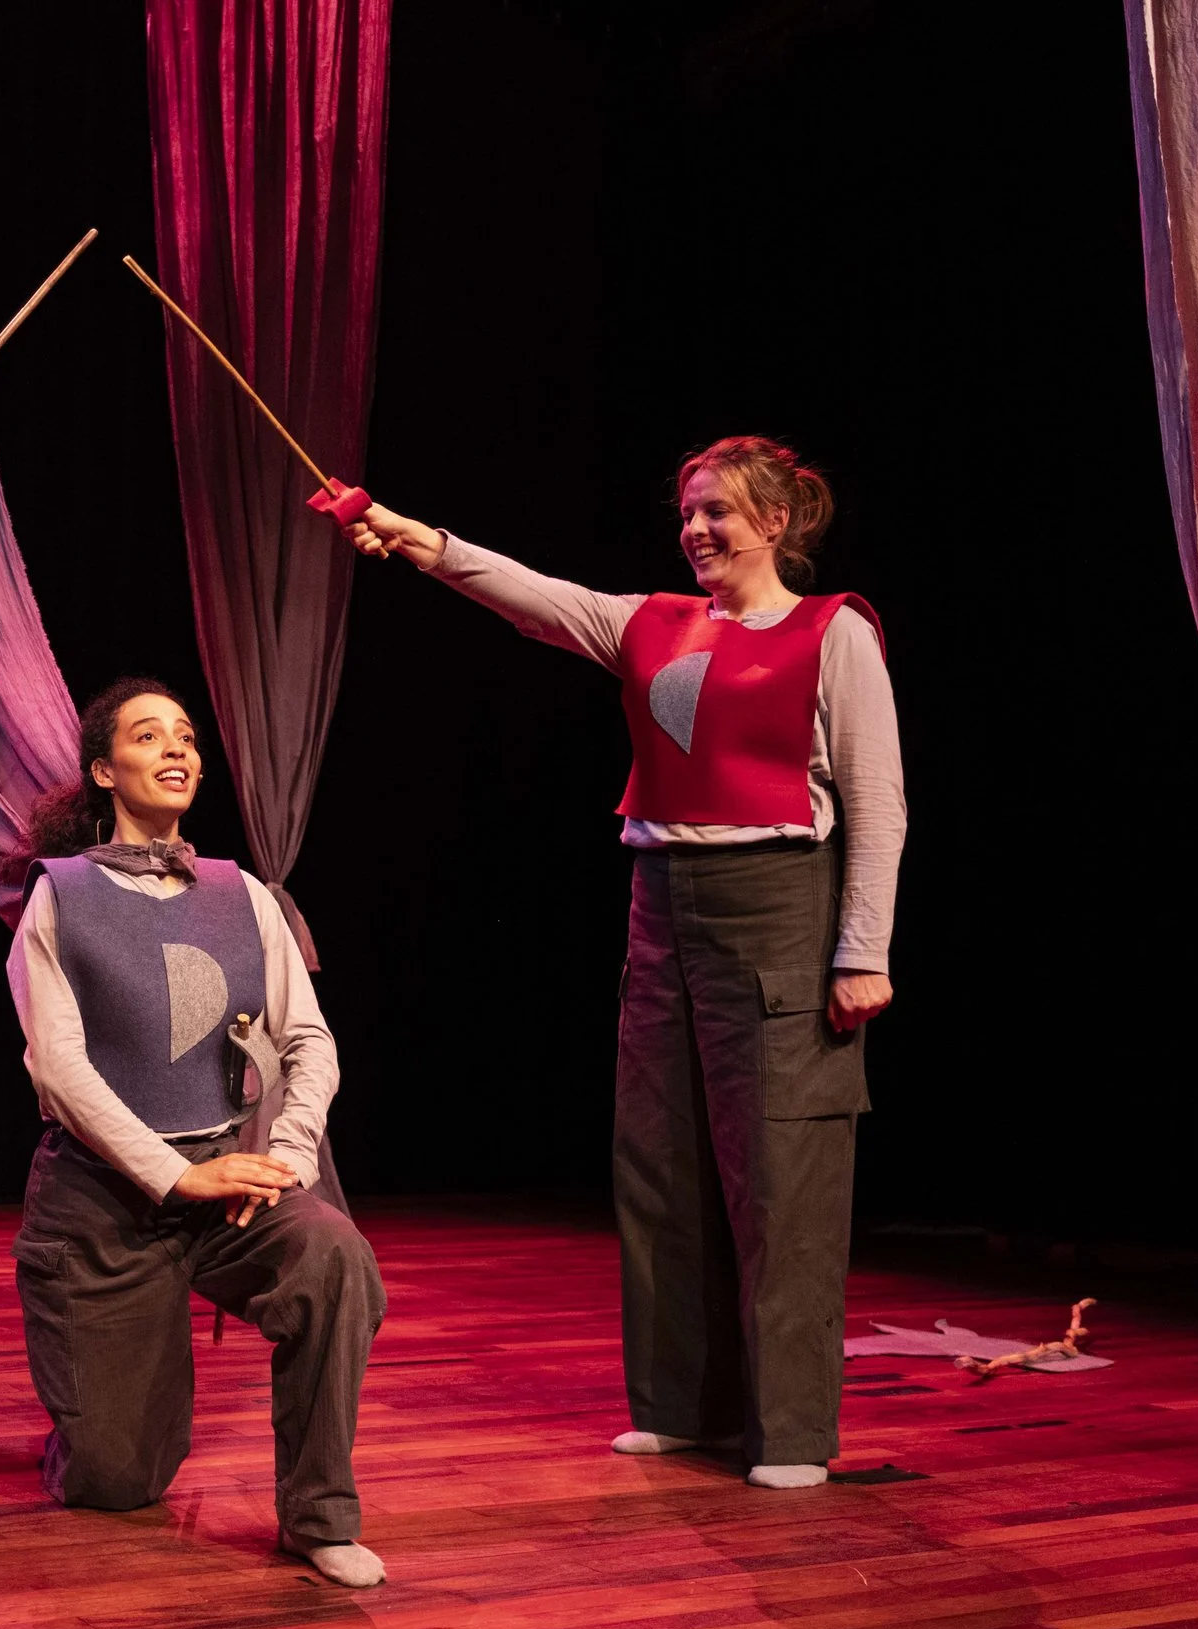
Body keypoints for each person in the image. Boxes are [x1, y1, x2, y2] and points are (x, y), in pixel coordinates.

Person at [347, 436, 904, 1490]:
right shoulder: (651, 623)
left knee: (780, 1175)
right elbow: (534, 597)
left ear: (776, 524)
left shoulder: (834, 636)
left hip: (779, 908)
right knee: (658, 1161)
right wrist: (417, 539)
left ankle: (787, 1431)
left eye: (718, 513)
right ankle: (679, 1404)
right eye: (688, 511)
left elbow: (878, 807)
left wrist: (860, 950)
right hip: (661, 910)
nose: (695, 529)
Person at [5, 677, 388, 1586]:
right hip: (103, 1205)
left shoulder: (243, 893)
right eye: (148, 736)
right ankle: (88, 1413)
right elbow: (62, 1072)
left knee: (335, 1257)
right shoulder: (58, 897)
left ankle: (318, 1513)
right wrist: (173, 1179)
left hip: (230, 1174)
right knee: (117, 1480)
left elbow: (308, 1039)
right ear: (105, 770)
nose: (177, 749)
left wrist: (288, 1157)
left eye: (186, 736)